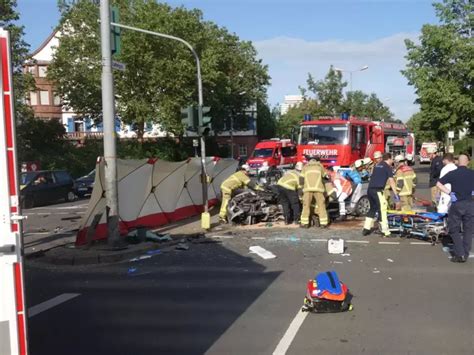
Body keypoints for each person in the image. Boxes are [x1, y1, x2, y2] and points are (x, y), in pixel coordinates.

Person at [437, 154, 474, 263]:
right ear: (468, 162)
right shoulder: (472, 174)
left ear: (458, 162)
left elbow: (439, 183)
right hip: (470, 204)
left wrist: (449, 192)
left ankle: (460, 253)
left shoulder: (453, 173)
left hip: (457, 203)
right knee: (468, 230)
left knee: (454, 229)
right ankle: (465, 253)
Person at [363, 153, 399, 237]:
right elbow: (391, 181)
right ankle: (385, 231)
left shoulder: (377, 166)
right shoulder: (387, 167)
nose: (392, 161)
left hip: (370, 190)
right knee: (382, 209)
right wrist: (396, 195)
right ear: (389, 159)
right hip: (377, 191)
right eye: (392, 159)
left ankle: (366, 229)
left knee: (372, 209)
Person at [299, 156, 328, 228]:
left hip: (307, 189)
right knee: (321, 206)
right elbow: (325, 176)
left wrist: (301, 189)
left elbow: (301, 179)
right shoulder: (320, 166)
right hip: (319, 189)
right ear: (317, 160)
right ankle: (323, 224)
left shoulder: (305, 166)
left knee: (306, 206)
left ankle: (304, 224)